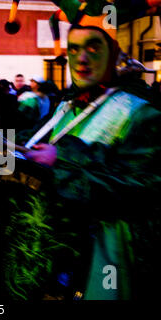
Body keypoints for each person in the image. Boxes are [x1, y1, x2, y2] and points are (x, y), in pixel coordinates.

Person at [16, 4, 161, 299]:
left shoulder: (142, 113)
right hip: (55, 252)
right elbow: (31, 147)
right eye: (74, 49)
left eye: (93, 48)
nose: (81, 59)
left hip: (107, 259)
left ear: (113, 53)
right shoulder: (65, 107)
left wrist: (62, 161)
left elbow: (143, 190)